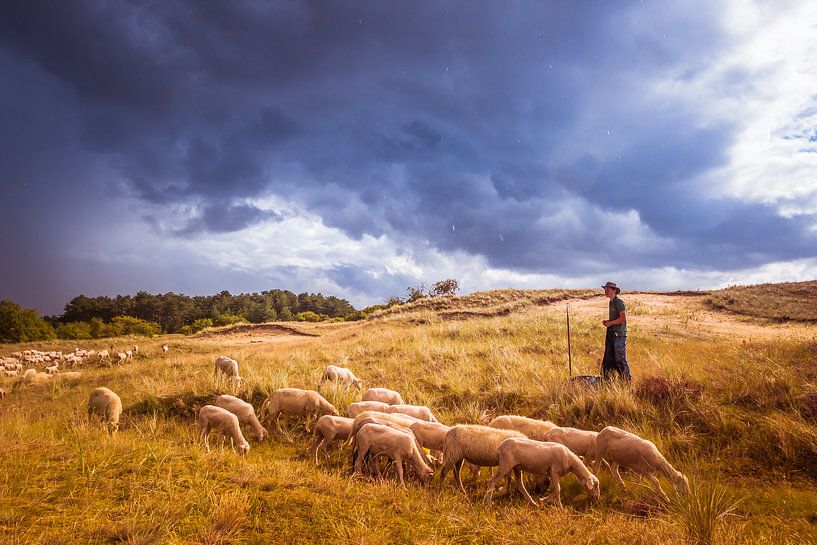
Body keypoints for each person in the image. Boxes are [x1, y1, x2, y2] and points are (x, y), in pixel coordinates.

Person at [600, 281, 631, 383]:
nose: (606, 291)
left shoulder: (619, 301)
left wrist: (610, 323)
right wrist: (608, 323)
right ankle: (612, 382)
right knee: (610, 359)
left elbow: (623, 318)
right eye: (605, 289)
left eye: (607, 289)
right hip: (613, 334)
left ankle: (626, 382)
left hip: (619, 334)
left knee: (620, 359)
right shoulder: (611, 302)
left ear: (613, 290)